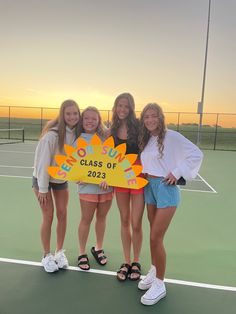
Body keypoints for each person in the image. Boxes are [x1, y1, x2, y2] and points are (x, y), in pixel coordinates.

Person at [138, 103, 203, 305]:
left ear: (160, 117)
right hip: (149, 187)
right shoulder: (147, 138)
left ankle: (160, 284)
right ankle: (154, 269)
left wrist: (176, 172)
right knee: (152, 236)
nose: (149, 120)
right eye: (146, 117)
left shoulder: (171, 136)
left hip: (166, 188)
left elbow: (197, 154)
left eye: (153, 116)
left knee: (156, 238)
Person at [32, 99, 81, 273]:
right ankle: (46, 255)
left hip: (60, 180)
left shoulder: (77, 133)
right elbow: (42, 164)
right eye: (68, 113)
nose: (72, 116)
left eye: (75, 113)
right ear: (62, 114)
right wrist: (43, 189)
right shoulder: (51, 136)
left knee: (62, 214)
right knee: (49, 216)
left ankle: (59, 252)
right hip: (42, 179)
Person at [110, 92, 145, 281]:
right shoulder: (112, 129)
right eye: (119, 105)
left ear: (131, 108)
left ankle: (136, 261)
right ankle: (126, 261)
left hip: (137, 177)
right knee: (124, 220)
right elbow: (108, 157)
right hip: (119, 179)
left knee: (136, 222)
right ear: (115, 107)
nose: (122, 109)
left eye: (126, 106)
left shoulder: (139, 126)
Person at [77, 106, 113, 270]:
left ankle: (98, 248)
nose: (90, 121)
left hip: (106, 187)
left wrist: (108, 177)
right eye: (86, 118)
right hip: (87, 188)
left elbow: (113, 162)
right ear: (82, 120)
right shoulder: (79, 140)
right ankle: (82, 253)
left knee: (102, 218)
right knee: (86, 219)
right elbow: (76, 166)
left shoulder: (106, 138)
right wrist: (77, 176)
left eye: (94, 118)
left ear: (99, 121)